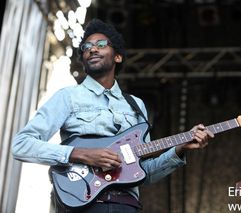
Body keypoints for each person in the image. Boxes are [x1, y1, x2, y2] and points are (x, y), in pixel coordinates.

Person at [12, 19, 214, 213]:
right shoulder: (68, 97)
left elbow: (144, 173)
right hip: (83, 202)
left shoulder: (136, 105)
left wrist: (179, 149)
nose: (92, 49)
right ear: (83, 58)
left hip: (126, 205)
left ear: (117, 56)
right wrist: (80, 153)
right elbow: (21, 145)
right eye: (86, 47)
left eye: (101, 44)